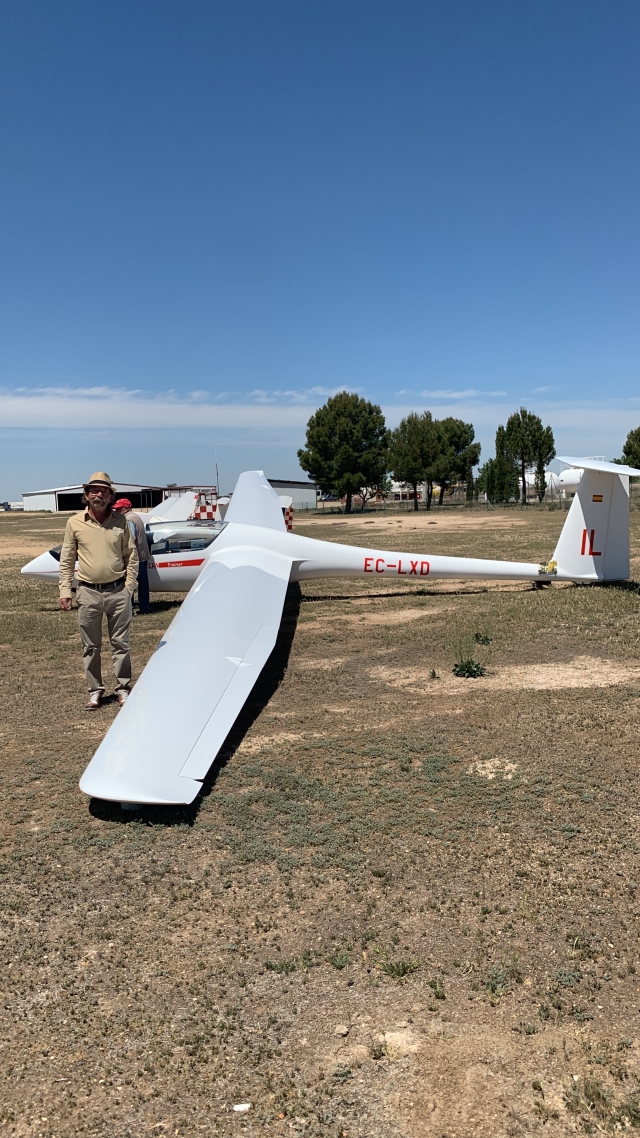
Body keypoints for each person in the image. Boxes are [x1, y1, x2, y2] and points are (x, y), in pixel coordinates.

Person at [59, 472, 139, 711]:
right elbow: (67, 559)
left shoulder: (121, 522)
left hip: (118, 592)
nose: (99, 494)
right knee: (91, 646)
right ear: (86, 495)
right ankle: (95, 691)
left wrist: (129, 587)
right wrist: (65, 590)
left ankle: (123, 688)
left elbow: (131, 556)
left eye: (104, 491)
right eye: (94, 490)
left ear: (111, 496)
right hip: (88, 592)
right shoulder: (74, 522)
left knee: (121, 644)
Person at [113, 498, 152, 614]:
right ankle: (145, 608)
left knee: (130, 583)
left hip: (134, 557)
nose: (117, 511)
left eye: (119, 509)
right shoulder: (136, 517)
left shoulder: (128, 519)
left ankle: (129, 609)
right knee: (143, 585)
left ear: (125, 508)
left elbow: (131, 538)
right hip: (143, 555)